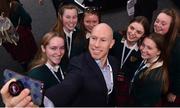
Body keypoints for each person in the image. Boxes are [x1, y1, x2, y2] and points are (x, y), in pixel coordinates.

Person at [1, 23, 119, 107]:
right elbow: (68, 86)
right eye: (93, 38)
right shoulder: (78, 64)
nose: (96, 44)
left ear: (112, 43)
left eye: (103, 40)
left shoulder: (114, 62)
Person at [110, 16, 150, 106]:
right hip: (110, 76)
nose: (132, 33)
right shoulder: (116, 37)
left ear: (143, 35)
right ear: (128, 26)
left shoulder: (141, 52)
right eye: (132, 28)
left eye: (138, 32)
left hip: (125, 85)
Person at [130, 33, 169, 106]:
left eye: (149, 48)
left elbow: (145, 104)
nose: (143, 50)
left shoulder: (154, 79)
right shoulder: (148, 58)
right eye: (143, 45)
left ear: (158, 52)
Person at [153, 8, 180, 106]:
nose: (157, 25)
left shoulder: (177, 48)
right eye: (157, 21)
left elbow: (178, 73)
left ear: (172, 27)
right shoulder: (156, 36)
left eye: (163, 24)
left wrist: (174, 92)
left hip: (170, 88)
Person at [0, 0, 38, 71]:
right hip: (21, 34)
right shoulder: (14, 6)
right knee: (29, 49)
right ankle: (35, 61)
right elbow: (27, 19)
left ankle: (24, 64)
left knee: (18, 53)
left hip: (8, 38)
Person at [52, 2, 86, 71]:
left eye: (74, 17)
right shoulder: (53, 36)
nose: (71, 21)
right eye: (68, 17)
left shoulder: (81, 34)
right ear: (61, 17)